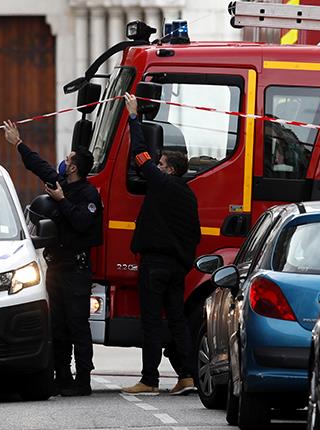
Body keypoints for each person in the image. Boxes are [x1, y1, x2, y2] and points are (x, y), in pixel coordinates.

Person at [2, 119, 103, 397]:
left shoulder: (88, 193)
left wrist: (61, 200)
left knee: (77, 325)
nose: (62, 161)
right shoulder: (60, 184)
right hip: (57, 267)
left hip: (77, 270)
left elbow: (82, 222)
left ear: (73, 168)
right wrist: (18, 143)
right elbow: (39, 166)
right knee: (57, 325)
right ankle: (62, 376)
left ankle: (83, 380)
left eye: (67, 159)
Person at [120, 92, 200, 396]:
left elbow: (139, 154)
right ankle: (187, 376)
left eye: (161, 162)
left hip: (154, 265)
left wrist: (133, 116)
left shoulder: (162, 183)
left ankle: (149, 379)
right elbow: (193, 234)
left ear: (169, 169)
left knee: (152, 322)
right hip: (176, 268)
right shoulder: (188, 195)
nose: (157, 163)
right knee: (177, 320)